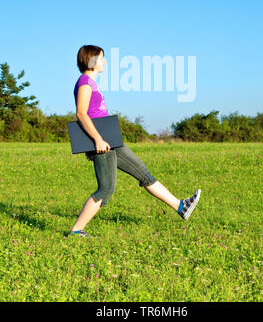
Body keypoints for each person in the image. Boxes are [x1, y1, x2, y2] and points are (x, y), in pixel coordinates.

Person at [68, 45, 201, 237]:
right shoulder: (84, 82)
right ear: (92, 60)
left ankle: (181, 206)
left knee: (144, 175)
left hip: (111, 141)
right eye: (102, 58)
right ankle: (76, 230)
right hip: (102, 143)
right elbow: (81, 113)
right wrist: (97, 140)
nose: (105, 61)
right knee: (106, 189)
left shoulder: (92, 83)